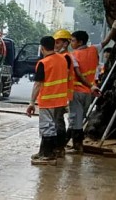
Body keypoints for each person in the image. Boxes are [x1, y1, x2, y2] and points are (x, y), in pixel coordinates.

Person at [26, 36, 71, 165]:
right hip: (61, 100)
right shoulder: (62, 59)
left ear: (42, 48)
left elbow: (38, 84)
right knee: (55, 126)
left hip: (48, 100)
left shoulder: (44, 63)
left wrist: (31, 102)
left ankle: (47, 156)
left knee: (47, 127)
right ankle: (51, 151)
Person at [67, 30, 101, 152]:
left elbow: (79, 74)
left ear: (80, 42)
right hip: (88, 93)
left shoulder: (73, 55)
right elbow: (105, 41)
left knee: (75, 120)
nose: (71, 43)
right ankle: (65, 144)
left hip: (77, 91)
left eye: (73, 40)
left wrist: (90, 86)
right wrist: (113, 28)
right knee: (78, 119)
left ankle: (77, 146)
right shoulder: (94, 49)